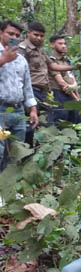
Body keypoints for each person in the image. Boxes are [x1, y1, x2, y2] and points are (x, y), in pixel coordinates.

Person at [0, 20, 38, 172]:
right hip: (0, 110)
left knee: (16, 152)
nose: (13, 37)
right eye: (10, 33)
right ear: (1, 33)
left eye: (17, 35)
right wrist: (4, 60)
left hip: (18, 111)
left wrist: (33, 110)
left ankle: (9, 190)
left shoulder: (21, 60)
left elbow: (27, 87)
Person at [17, 22, 76, 106]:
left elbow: (52, 66)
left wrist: (74, 67)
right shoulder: (22, 49)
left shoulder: (40, 50)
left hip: (44, 91)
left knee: (45, 117)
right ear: (28, 33)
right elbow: (18, 72)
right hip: (31, 90)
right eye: (36, 35)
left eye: (41, 36)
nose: (39, 38)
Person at [48, 34, 80, 124]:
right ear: (52, 45)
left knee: (75, 120)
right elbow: (62, 83)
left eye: (64, 44)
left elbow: (73, 79)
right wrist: (76, 98)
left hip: (71, 95)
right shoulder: (51, 60)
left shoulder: (67, 61)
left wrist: (77, 97)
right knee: (61, 120)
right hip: (58, 94)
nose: (63, 46)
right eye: (60, 43)